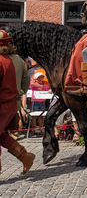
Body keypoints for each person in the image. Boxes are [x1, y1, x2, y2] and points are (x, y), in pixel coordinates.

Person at [0, 31, 35, 174]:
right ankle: (25, 156)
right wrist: (19, 94)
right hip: (13, 103)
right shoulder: (18, 59)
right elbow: (26, 81)